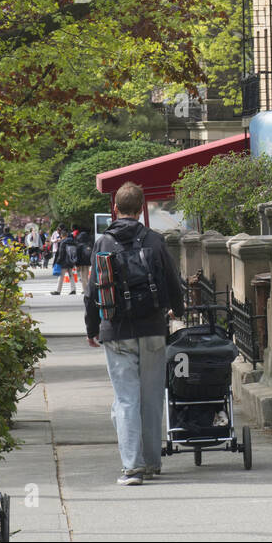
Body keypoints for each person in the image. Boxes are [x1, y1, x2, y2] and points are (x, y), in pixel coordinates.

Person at [84, 182, 183, 486]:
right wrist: (176, 310)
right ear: (141, 208)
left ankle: (133, 467)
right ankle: (153, 462)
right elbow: (172, 281)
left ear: (115, 207)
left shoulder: (103, 243)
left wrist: (92, 328)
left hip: (117, 330)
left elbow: (92, 292)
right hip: (153, 328)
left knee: (126, 399)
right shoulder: (154, 240)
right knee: (152, 397)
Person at [50, 228, 81, 295]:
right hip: (71, 261)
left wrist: (57, 262)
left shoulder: (63, 242)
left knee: (61, 276)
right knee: (71, 276)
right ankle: (73, 290)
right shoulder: (72, 241)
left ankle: (58, 291)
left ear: (62, 235)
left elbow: (61, 253)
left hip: (64, 262)